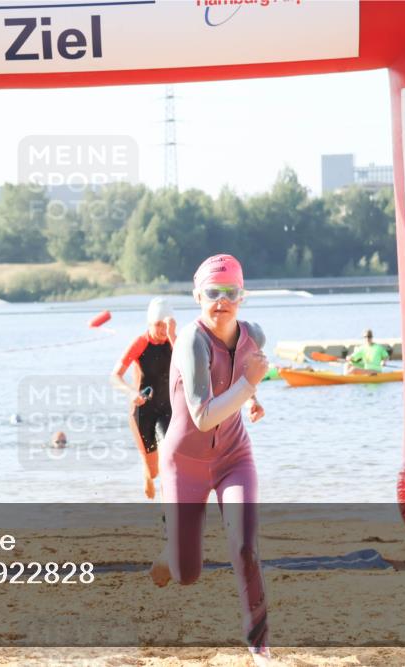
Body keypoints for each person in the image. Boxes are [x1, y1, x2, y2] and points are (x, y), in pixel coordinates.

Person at [151, 254, 272, 666]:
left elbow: (243, 366)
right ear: (197, 295)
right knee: (187, 574)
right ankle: (170, 557)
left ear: (243, 295)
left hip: (234, 456)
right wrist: (248, 386)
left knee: (244, 548)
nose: (222, 301)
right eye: (212, 293)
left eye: (231, 293)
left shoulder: (254, 334)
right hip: (184, 462)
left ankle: (260, 648)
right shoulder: (191, 340)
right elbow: (202, 416)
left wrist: (253, 398)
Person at [111, 297, 176, 499]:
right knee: (154, 470)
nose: (162, 330)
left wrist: (173, 336)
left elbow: (190, 365)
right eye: (158, 325)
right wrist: (131, 392)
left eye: (165, 325)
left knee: (170, 457)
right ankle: (147, 477)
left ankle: (170, 509)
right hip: (142, 412)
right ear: (149, 324)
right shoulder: (140, 343)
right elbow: (114, 376)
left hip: (168, 409)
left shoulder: (176, 341)